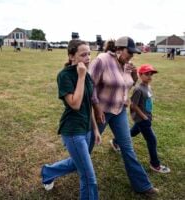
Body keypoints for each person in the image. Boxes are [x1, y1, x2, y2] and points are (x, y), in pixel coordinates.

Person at [88, 36, 159, 196]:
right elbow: (89, 84)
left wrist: (134, 76)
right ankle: (57, 169)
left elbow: (126, 84)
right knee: (86, 146)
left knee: (127, 148)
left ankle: (142, 186)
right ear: (118, 49)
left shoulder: (126, 64)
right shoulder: (102, 60)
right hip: (102, 111)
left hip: (119, 110)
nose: (132, 56)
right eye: (130, 52)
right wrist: (97, 107)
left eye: (134, 53)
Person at [41, 39, 101, 200]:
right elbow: (75, 104)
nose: (88, 58)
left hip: (87, 128)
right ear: (71, 56)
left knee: (77, 163)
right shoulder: (65, 76)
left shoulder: (87, 75)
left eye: (89, 54)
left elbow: (88, 104)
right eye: (83, 55)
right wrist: (81, 77)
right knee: (89, 178)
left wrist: (95, 129)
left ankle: (48, 171)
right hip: (73, 131)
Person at [110, 64, 171, 174]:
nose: (149, 76)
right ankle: (155, 164)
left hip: (146, 117)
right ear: (140, 74)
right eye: (147, 74)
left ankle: (115, 141)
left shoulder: (148, 86)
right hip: (142, 119)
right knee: (152, 140)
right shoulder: (138, 89)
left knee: (132, 133)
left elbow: (147, 103)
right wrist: (144, 117)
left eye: (151, 74)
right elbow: (133, 105)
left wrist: (149, 114)